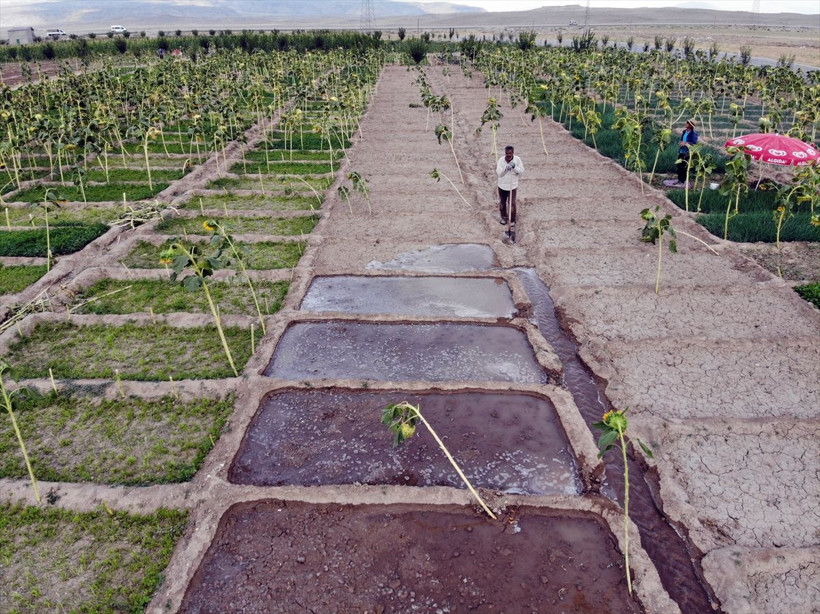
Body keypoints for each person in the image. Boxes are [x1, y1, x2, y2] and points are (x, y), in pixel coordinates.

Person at [496, 145, 525, 243]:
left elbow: (521, 172)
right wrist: (506, 168)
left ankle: (512, 220)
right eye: (507, 153)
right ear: (505, 153)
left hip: (512, 186)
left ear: (513, 153)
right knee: (502, 203)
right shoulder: (501, 160)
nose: (508, 155)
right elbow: (499, 173)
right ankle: (504, 218)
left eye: (510, 153)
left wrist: (514, 167)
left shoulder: (517, 160)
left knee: (512, 204)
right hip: (502, 186)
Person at [676, 119, 698, 186]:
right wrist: (681, 142)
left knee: (685, 166)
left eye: (687, 123)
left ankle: (684, 180)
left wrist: (685, 143)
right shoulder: (684, 131)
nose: (686, 124)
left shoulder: (693, 134)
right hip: (681, 150)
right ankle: (680, 179)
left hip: (687, 152)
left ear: (690, 125)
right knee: (679, 165)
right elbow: (682, 139)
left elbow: (694, 143)